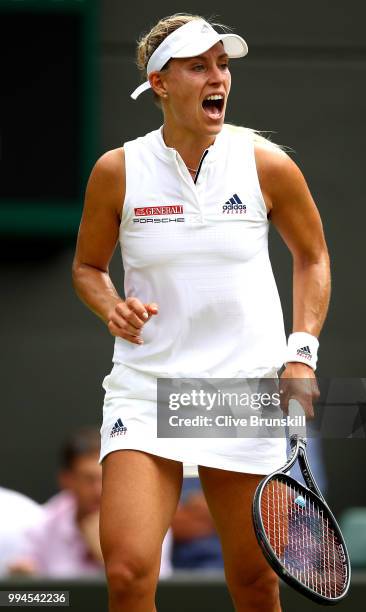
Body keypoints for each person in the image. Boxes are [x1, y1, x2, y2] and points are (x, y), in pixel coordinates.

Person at [72, 13, 330, 612]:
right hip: (146, 389)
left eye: (223, 65)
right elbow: (88, 268)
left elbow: (313, 257)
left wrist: (302, 352)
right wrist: (114, 306)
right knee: (130, 574)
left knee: (254, 583)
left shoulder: (266, 163)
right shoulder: (118, 171)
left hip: (241, 391)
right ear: (161, 82)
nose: (218, 78)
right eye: (199, 66)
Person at [8, 427, 172, 578]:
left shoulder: (150, 523)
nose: (98, 490)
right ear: (66, 480)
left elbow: (160, 594)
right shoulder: (44, 524)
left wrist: (109, 558)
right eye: (88, 479)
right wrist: (24, 582)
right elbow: (35, 594)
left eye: (107, 477)